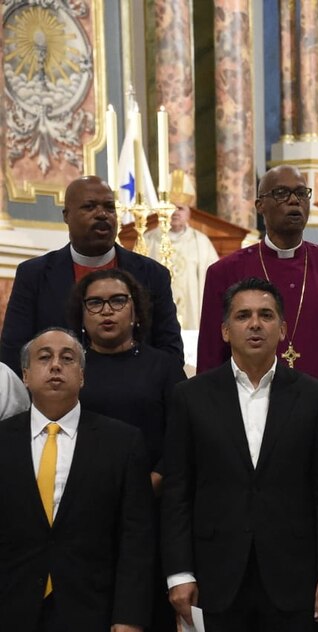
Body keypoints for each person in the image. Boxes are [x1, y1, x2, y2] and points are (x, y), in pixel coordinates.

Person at [162, 277, 318, 631]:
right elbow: (177, 493)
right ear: (225, 331)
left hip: (293, 577)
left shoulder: (315, 396)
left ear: (282, 329)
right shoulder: (190, 397)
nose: (255, 324)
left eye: (266, 315)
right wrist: (179, 573)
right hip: (214, 577)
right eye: (243, 315)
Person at [0, 328, 153, 631]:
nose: (56, 365)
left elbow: (136, 538)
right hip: (11, 607)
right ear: (26, 376)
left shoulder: (122, 442)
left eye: (67, 358)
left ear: (82, 376)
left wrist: (129, 617)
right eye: (44, 358)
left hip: (93, 609)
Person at [66, 268, 187, 631]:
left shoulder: (163, 367)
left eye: (118, 301)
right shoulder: (71, 368)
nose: (107, 310)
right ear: (82, 315)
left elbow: (181, 437)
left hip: (150, 510)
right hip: (81, 512)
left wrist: (152, 480)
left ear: (135, 311)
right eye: (96, 303)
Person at [196, 165, 318, 396]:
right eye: (281, 193)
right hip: (249, 409)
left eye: (300, 193)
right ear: (260, 206)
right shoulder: (225, 272)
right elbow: (211, 358)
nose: (293, 201)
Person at [0, 175, 184, 377]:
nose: (102, 214)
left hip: (136, 396)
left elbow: (170, 350)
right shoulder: (34, 274)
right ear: (66, 215)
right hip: (59, 399)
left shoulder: (152, 274)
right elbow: (13, 352)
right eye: (89, 207)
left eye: (109, 207)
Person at [145, 172, 219, 330]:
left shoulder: (201, 243)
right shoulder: (148, 240)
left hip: (193, 320)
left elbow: (215, 284)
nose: (175, 212)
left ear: (189, 212)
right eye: (171, 207)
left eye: (180, 208)